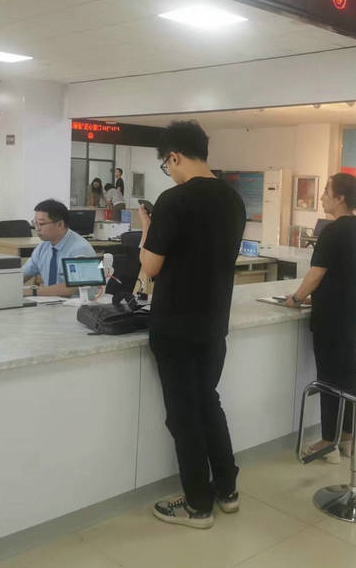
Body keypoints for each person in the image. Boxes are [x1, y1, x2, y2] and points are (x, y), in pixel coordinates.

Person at [138, 120, 245, 529]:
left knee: (184, 415)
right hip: (214, 321)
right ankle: (227, 490)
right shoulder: (233, 199)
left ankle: (198, 505)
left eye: (166, 165)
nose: (169, 172)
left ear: (174, 156)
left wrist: (147, 229)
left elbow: (150, 266)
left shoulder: (173, 200)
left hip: (175, 325)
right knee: (208, 404)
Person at [285, 173, 356, 464]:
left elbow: (316, 274)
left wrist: (296, 298)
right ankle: (347, 439)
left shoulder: (333, 231)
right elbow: (345, 275)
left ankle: (328, 442)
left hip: (333, 321)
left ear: (339, 198)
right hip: (354, 318)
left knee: (329, 381)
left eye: (326, 192)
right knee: (348, 379)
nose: (322, 197)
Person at [22, 199, 96, 297]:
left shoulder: (81, 248)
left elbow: (71, 288)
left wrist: (33, 292)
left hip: (79, 304)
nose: (37, 228)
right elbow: (22, 274)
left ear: (60, 224)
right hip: (51, 303)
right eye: (35, 223)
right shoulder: (42, 248)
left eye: (41, 224)